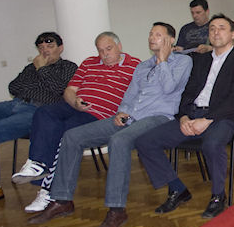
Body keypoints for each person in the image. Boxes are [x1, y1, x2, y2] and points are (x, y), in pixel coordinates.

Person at [27, 23, 192, 227]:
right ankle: (62, 200)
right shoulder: (143, 66)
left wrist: (162, 59)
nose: (152, 38)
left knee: (119, 141)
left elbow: (170, 88)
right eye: (151, 34)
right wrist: (123, 110)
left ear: (170, 40)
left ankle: (116, 210)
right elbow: (131, 94)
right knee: (72, 136)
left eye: (158, 35)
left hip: (158, 117)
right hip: (131, 117)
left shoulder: (183, 61)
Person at [135, 14, 234, 219]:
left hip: (223, 118)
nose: (216, 32)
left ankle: (218, 196)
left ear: (233, 34)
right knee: (145, 141)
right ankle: (177, 189)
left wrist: (207, 120)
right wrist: (183, 117)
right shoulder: (200, 60)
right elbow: (187, 92)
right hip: (192, 115)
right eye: (212, 29)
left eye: (222, 28)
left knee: (212, 144)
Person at [14, 33, 140, 213]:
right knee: (43, 112)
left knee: (64, 134)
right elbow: (70, 90)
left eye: (109, 49)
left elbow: (140, 95)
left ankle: (47, 192)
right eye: (100, 50)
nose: (104, 54)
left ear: (119, 46)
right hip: (73, 106)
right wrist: (74, 101)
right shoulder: (89, 63)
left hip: (98, 114)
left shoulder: (135, 65)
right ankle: (38, 163)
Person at [0, 32, 77, 201]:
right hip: (14, 104)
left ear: (60, 48)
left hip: (38, 110)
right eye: (41, 47)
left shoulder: (68, 67)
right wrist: (37, 76)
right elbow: (13, 87)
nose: (45, 50)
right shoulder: (30, 68)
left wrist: (41, 69)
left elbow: (59, 89)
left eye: (50, 46)